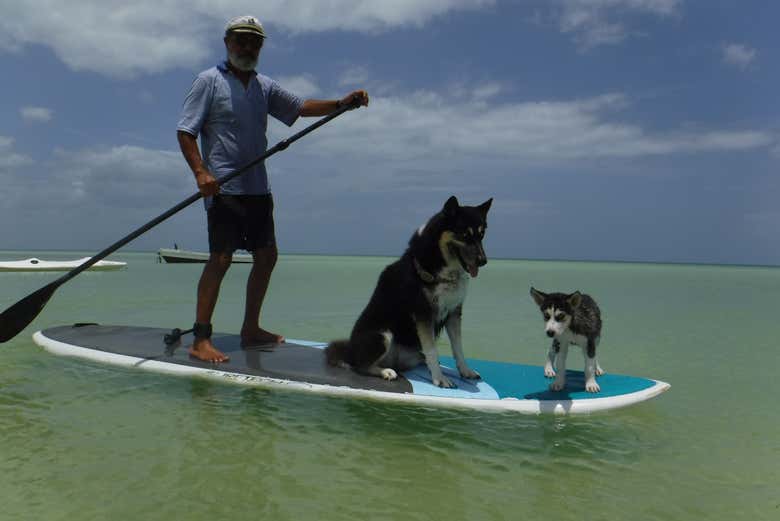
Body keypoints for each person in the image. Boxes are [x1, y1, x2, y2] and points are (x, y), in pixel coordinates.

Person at [177, 15, 369, 363]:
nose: (247, 47)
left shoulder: (265, 86)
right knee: (220, 260)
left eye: (254, 42)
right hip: (223, 188)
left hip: (258, 188)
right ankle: (200, 339)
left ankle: (250, 328)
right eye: (241, 40)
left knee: (267, 257)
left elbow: (300, 107)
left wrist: (341, 103)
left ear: (261, 47)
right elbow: (186, 131)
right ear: (227, 42)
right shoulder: (208, 81)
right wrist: (200, 173)